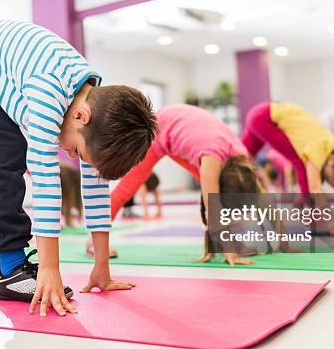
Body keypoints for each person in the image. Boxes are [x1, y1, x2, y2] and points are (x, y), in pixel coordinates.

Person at [0, 20, 157, 317]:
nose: (69, 153)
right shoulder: (49, 94)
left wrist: (101, 268)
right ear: (81, 117)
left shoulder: (95, 111)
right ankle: (11, 268)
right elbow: (46, 182)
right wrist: (49, 269)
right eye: (77, 151)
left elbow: (95, 188)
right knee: (4, 153)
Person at [111, 104, 263, 266]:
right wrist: (230, 251)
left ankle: (218, 242)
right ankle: (94, 240)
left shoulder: (243, 160)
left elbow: (260, 193)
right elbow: (213, 205)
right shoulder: (211, 158)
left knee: (210, 188)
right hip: (157, 128)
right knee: (128, 186)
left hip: (182, 121)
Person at [242, 101, 334, 234]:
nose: (329, 182)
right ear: (333, 159)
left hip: (261, 113)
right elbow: (315, 188)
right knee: (300, 163)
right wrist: (332, 222)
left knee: (240, 160)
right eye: (331, 179)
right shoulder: (319, 148)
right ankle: (310, 211)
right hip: (265, 118)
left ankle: (301, 203)